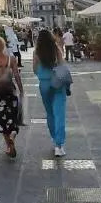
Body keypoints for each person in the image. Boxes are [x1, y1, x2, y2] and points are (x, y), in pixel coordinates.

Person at [34, 29, 68, 157]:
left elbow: (34, 69)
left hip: (44, 84)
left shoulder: (37, 52)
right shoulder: (56, 49)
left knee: (50, 113)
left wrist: (42, 74)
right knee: (59, 113)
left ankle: (54, 138)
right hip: (57, 83)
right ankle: (59, 145)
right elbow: (62, 66)